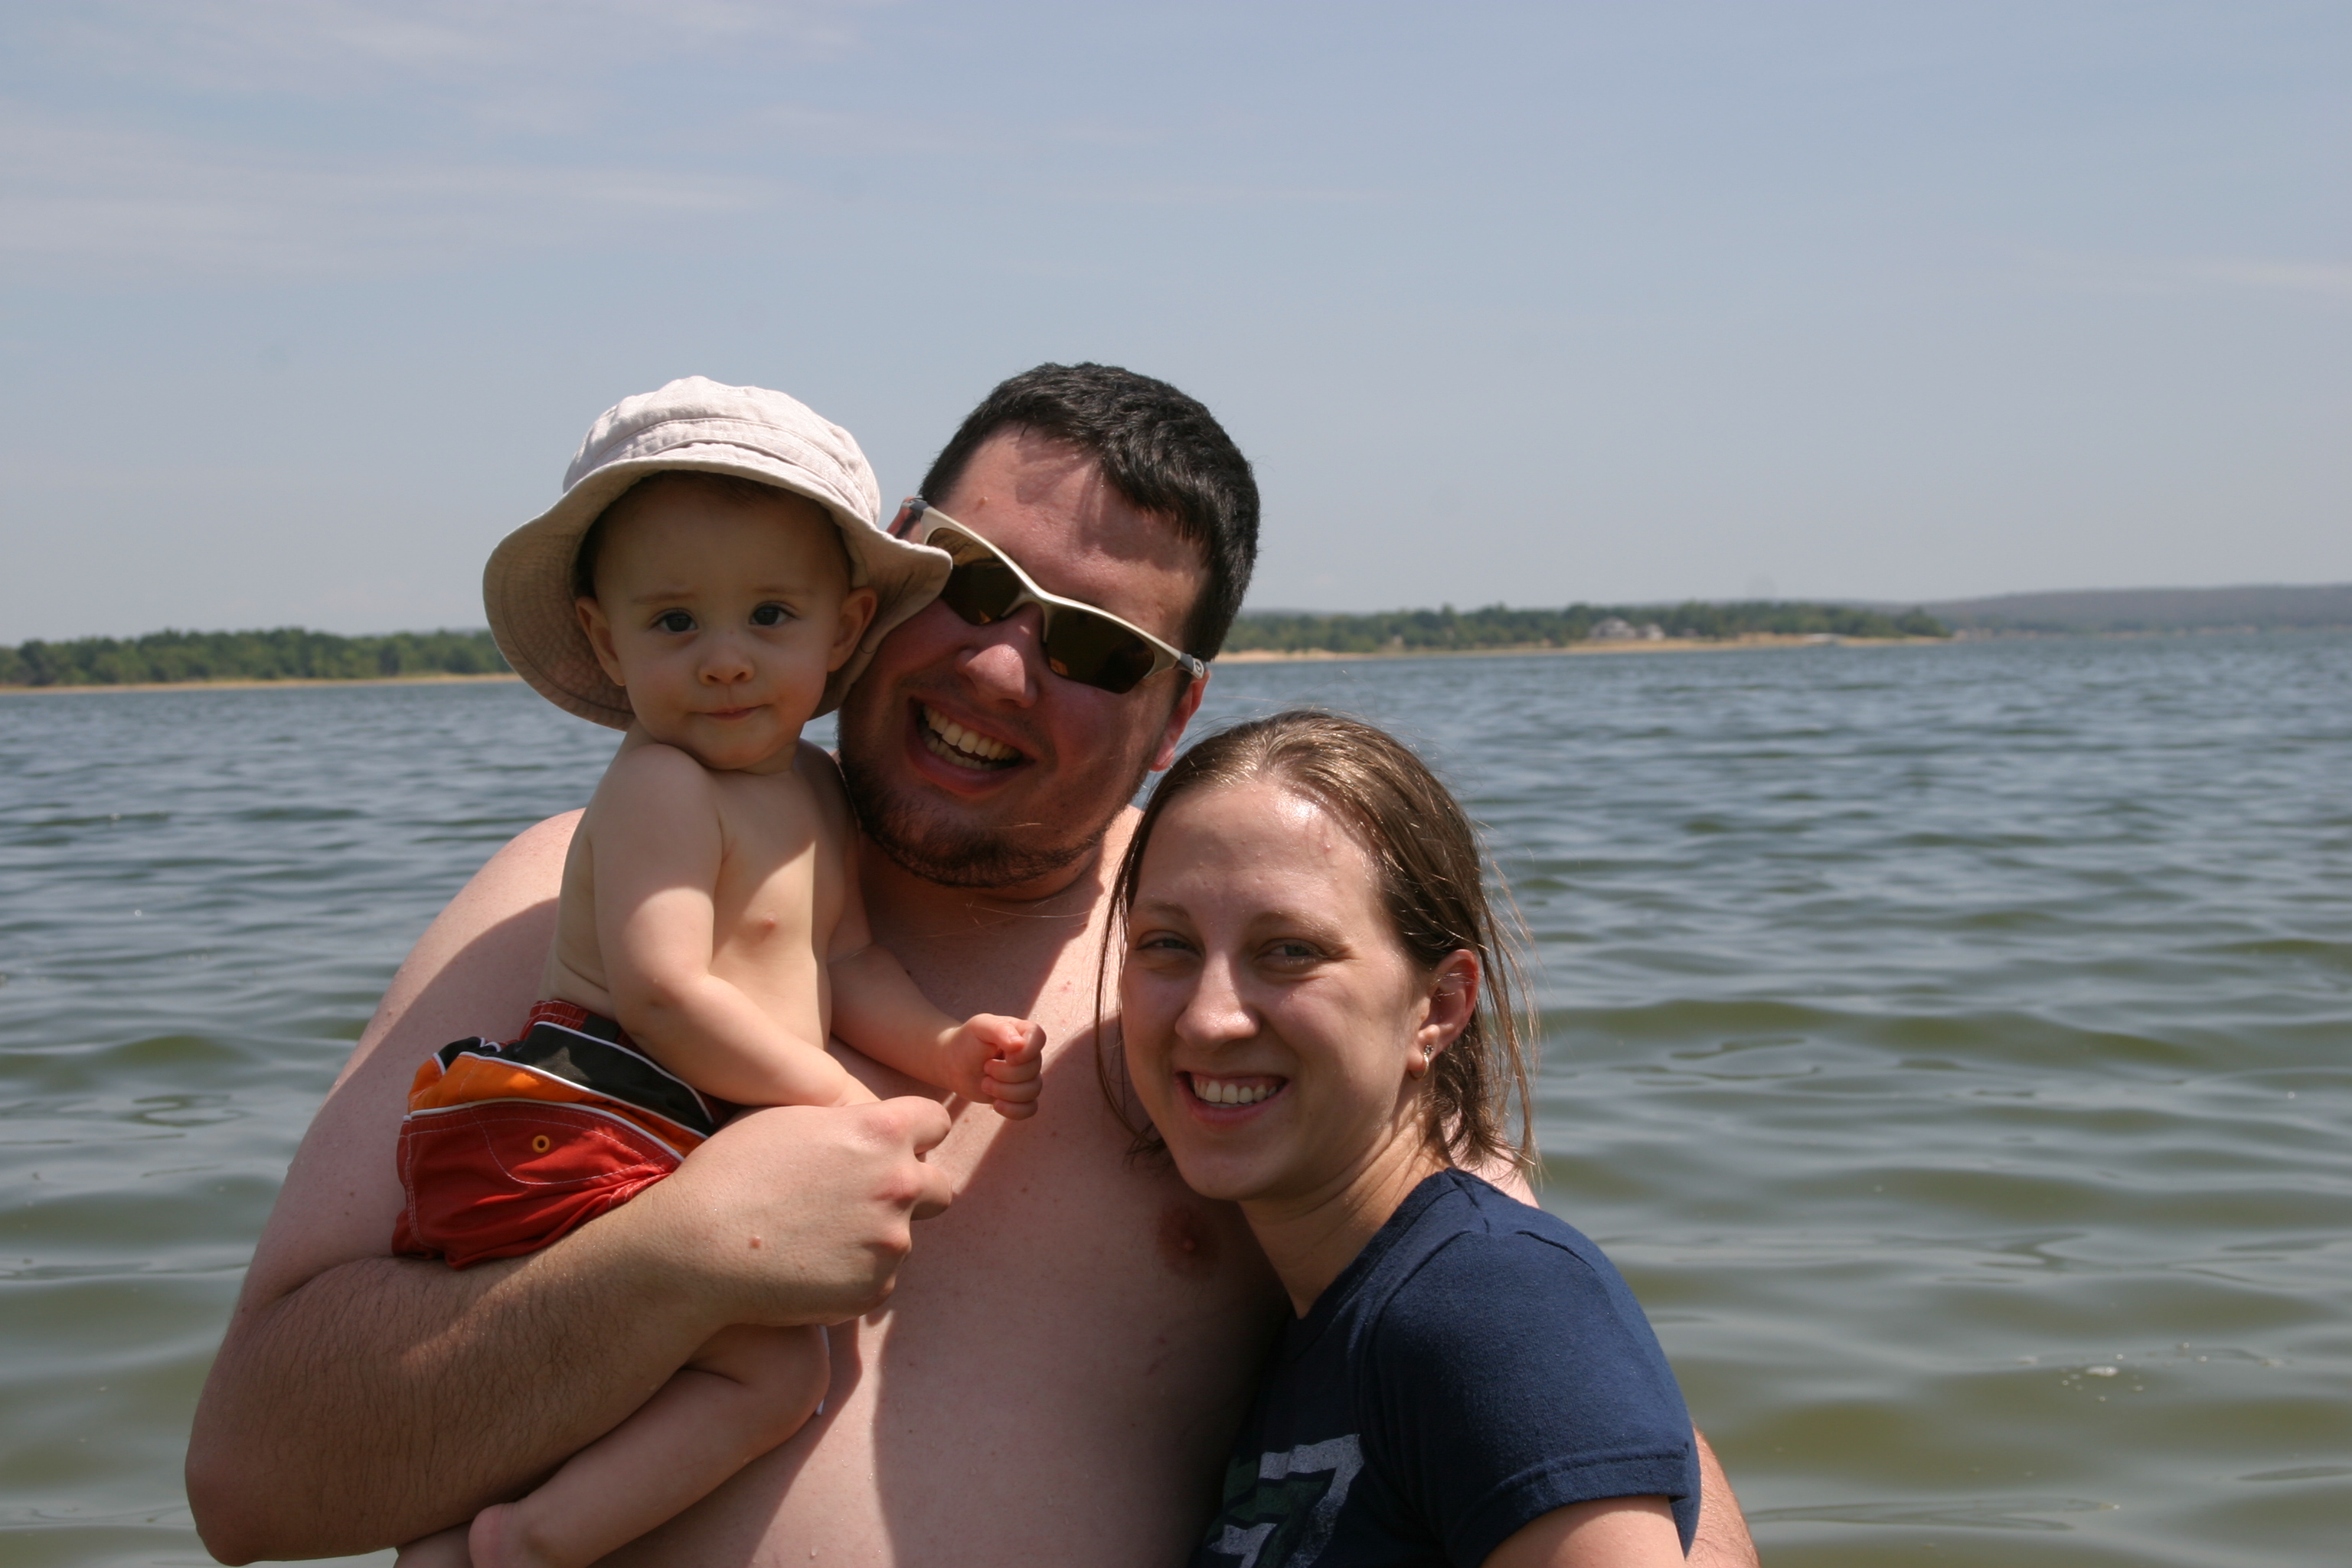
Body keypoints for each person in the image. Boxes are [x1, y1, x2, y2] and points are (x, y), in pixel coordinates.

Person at [185, 364, 1759, 1566]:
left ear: (1176, 713)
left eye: (1094, 650)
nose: (1004, 662)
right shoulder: (566, 893)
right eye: (979, 587)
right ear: (882, 580)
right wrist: (668, 1263)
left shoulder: (1216, 1008)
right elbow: (252, 1478)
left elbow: (1558, 1388)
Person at [394, 379, 1046, 1568]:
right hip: (600, 1113)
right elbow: (663, 992)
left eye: (770, 617)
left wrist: (943, 1045)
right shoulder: (662, 786)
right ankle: (522, 1543)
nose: (727, 661)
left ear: (845, 629)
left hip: (684, 1127)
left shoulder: (810, 789)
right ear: (606, 636)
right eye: (677, 624)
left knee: (747, 1358)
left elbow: (841, 958)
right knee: (772, 1369)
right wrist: (844, 1108)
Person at [1110, 711, 1696, 1567]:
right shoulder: (1321, 1330)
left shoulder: (1496, 1306)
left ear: (1442, 1005)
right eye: (1167, 943)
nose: (1208, 1015)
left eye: (1289, 950)